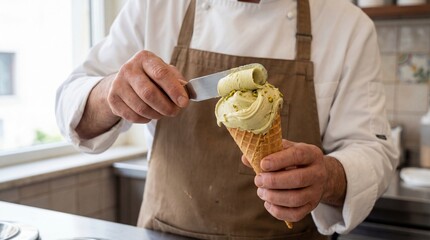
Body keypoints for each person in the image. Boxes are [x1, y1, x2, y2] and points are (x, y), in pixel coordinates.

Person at [55, 0, 399, 239]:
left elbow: (373, 150)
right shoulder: (155, 7)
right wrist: (110, 94)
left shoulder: (348, 25)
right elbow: (71, 105)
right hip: (164, 234)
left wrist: (327, 178)